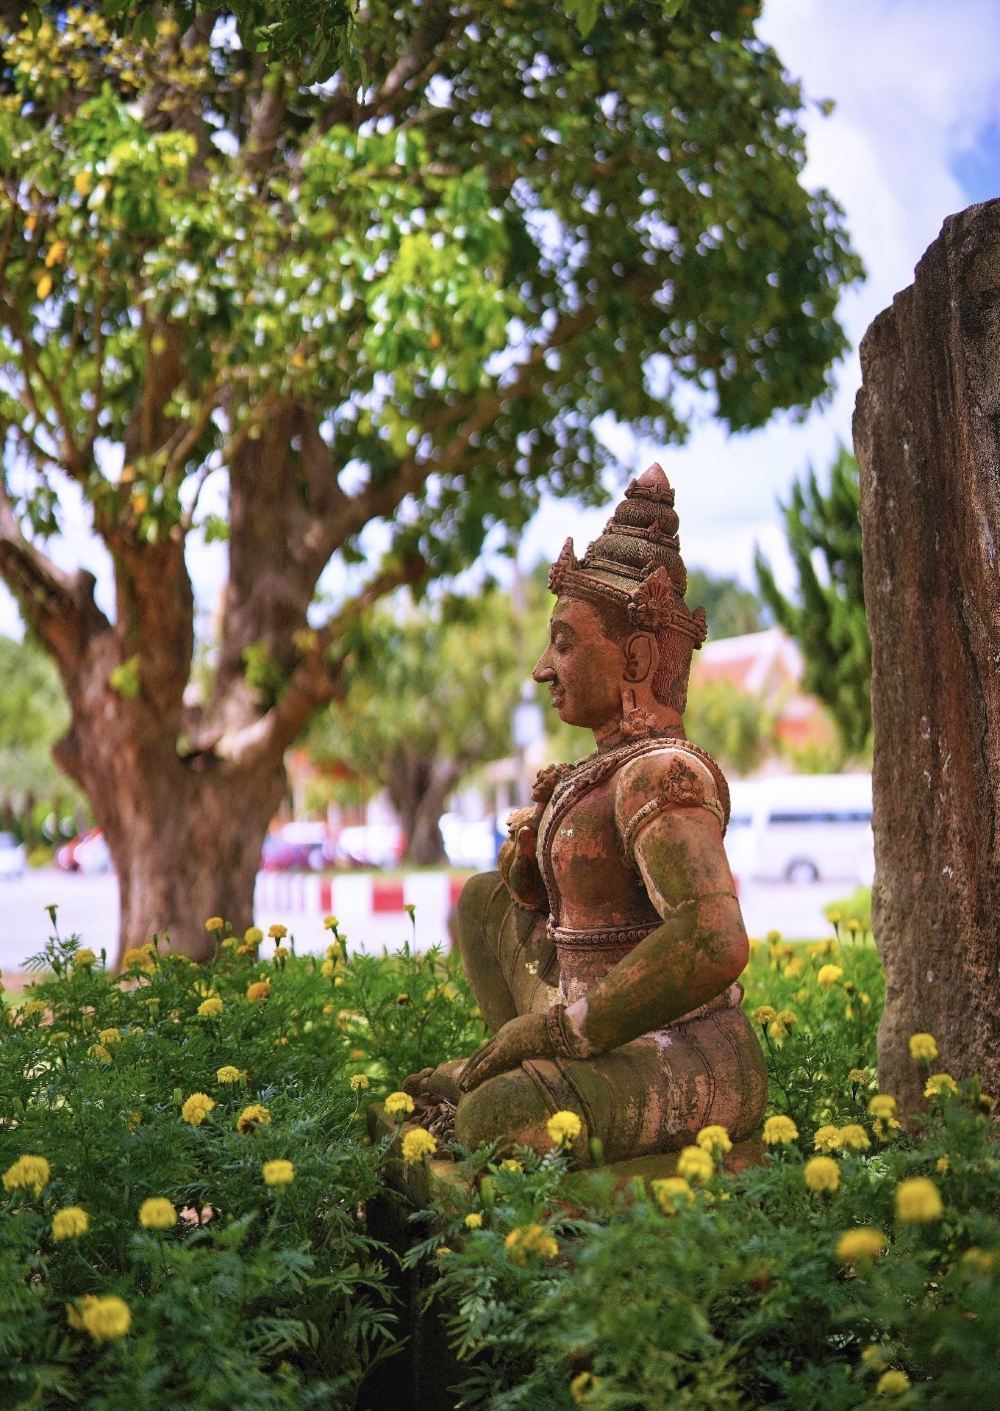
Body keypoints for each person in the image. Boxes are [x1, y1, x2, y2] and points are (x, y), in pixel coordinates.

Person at [408, 465, 767, 1161]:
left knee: (494, 1120)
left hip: (688, 1051)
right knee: (482, 901)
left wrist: (555, 1032)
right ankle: (519, 1066)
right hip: (596, 1026)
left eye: (565, 642)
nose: (544, 667)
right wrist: (529, 875)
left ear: (637, 657)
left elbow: (715, 937)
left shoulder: (662, 775)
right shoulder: (603, 771)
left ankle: (521, 1075)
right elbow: (577, 918)